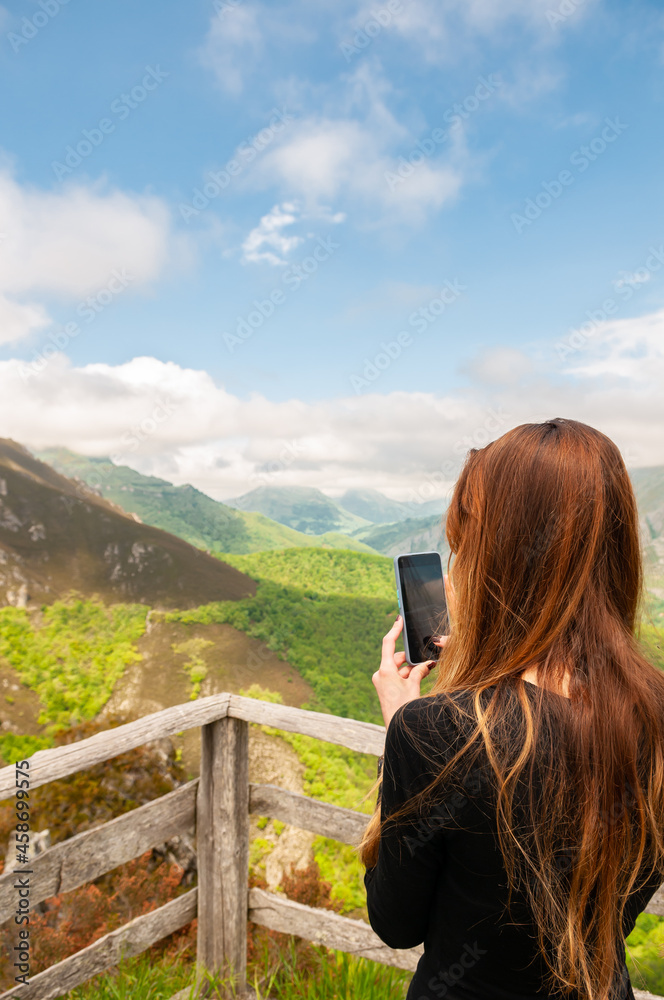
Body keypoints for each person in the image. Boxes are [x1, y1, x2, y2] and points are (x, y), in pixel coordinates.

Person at [360, 418, 664, 1000]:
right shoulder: (651, 713)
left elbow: (395, 923)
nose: (453, 576)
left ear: (499, 561)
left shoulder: (434, 732)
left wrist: (405, 728)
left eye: (464, 548)